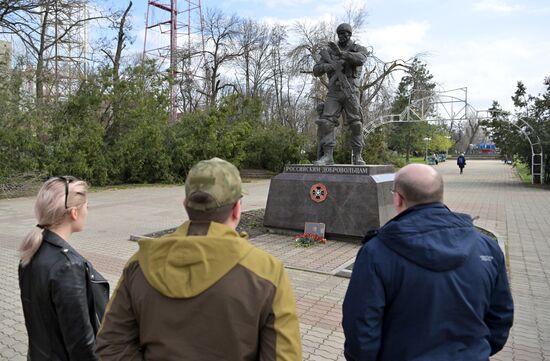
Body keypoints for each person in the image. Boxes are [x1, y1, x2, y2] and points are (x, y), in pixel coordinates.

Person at [96, 157, 302, 360]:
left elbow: (111, 345)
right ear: (237, 209)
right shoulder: (267, 272)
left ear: (186, 204)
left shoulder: (140, 263)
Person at [342, 163, 513, 361]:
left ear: (397, 198)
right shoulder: (487, 248)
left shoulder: (377, 252)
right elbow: (500, 317)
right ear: (440, 196)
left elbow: (361, 326)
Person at [19, 176, 109, 361]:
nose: (88, 211)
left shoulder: (31, 251)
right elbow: (82, 345)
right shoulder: (68, 266)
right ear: (74, 213)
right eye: (86, 206)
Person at [313, 23, 368, 166]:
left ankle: (358, 156)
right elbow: (316, 70)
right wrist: (331, 66)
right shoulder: (328, 51)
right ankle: (328, 156)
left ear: (350, 34)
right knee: (326, 122)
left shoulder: (359, 48)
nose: (342, 36)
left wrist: (341, 54)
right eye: (340, 33)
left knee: (356, 123)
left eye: (345, 33)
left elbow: (361, 59)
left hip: (351, 90)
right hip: (334, 91)